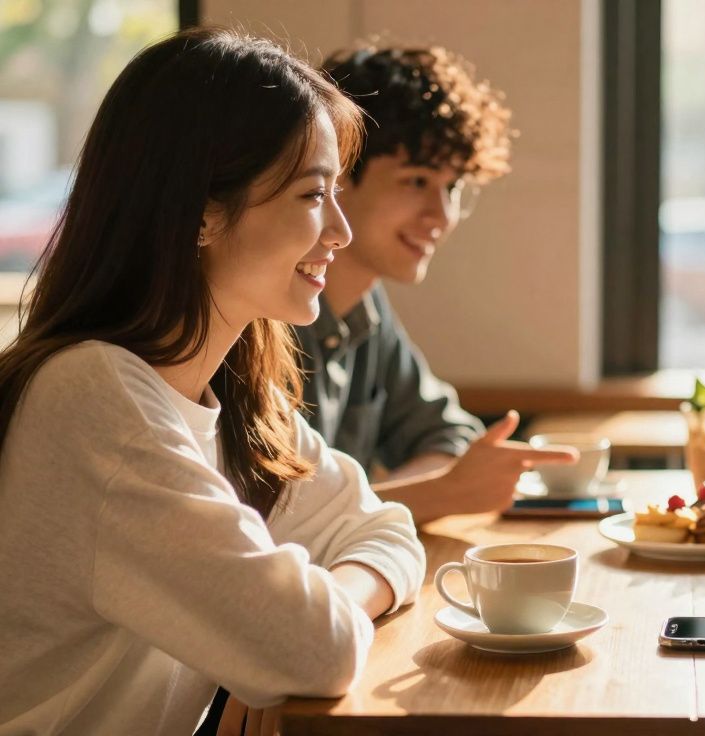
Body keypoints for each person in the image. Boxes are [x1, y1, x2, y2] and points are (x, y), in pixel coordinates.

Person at [0, 28, 425, 735]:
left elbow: (385, 529)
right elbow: (312, 650)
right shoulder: (93, 400)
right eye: (313, 194)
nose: (340, 232)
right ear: (201, 212)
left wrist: (322, 601)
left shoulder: (229, 393)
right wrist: (304, 619)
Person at [296, 45, 576, 524]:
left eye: (453, 187)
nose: (442, 216)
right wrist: (438, 495)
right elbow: (272, 525)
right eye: (416, 181)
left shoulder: (367, 307)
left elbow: (450, 436)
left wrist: (415, 496)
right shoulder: (265, 316)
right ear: (337, 175)